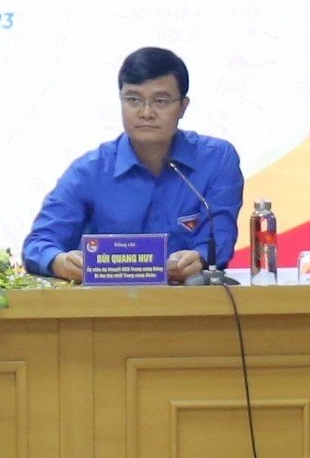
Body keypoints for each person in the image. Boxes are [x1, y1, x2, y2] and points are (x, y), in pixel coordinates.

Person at [25, 47, 243, 285]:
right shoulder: (90, 171)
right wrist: (59, 262)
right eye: (133, 100)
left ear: (183, 106)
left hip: (189, 299)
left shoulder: (216, 160)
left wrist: (200, 258)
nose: (146, 113)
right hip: (108, 303)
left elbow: (219, 237)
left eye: (160, 101)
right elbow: (38, 243)